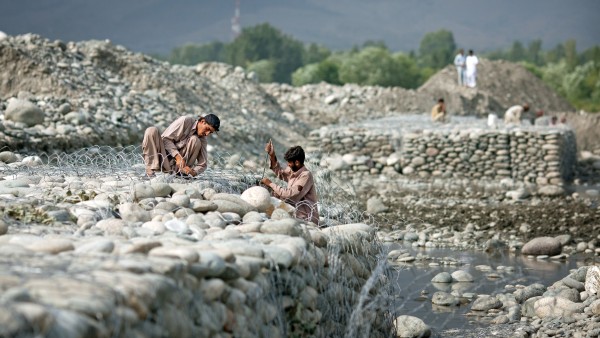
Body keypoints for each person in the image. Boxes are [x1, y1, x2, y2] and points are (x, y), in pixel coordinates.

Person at [261, 140, 319, 225]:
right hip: (293, 211)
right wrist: (272, 155)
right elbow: (280, 173)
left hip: (306, 218)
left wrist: (270, 184)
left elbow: (289, 194)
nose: (288, 165)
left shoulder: (305, 175)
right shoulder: (294, 169)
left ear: (297, 162)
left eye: (289, 162)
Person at [142, 114, 220, 177]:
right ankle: (150, 172)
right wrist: (177, 156)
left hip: (178, 168)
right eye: (207, 129)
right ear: (202, 121)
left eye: (210, 132)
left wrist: (193, 172)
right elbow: (165, 139)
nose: (207, 134)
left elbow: (203, 164)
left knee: (195, 140)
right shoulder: (185, 121)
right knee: (151, 131)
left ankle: (180, 174)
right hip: (162, 158)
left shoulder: (202, 139)